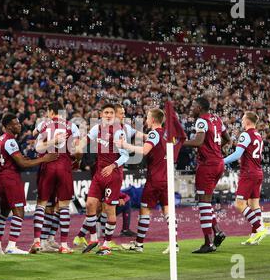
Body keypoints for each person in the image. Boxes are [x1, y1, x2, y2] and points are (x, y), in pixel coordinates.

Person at [0, 113, 58, 255]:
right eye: (16, 123)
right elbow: (23, 163)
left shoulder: (0, 140)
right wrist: (44, 159)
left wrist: (9, 164)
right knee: (19, 212)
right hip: (11, 179)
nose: (19, 125)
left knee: (3, 213)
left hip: (1, 176)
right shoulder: (10, 141)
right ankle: (11, 246)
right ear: (8, 126)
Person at [117, 109, 179, 253]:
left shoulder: (154, 133)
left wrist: (124, 145)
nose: (145, 120)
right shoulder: (167, 134)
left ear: (152, 120)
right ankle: (174, 243)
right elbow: (150, 138)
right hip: (167, 177)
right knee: (167, 210)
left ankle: (138, 245)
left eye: (147, 118)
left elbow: (144, 151)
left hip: (155, 178)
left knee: (145, 210)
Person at [74, 103, 130, 255]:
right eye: (106, 112)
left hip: (113, 175)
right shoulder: (96, 128)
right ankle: (93, 239)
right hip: (99, 174)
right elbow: (86, 140)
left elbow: (125, 155)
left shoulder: (119, 132)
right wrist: (79, 147)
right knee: (90, 204)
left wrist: (113, 166)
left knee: (109, 210)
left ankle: (106, 243)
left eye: (111, 112)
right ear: (101, 115)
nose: (108, 115)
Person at [30, 102, 81, 254]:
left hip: (48, 165)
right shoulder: (72, 126)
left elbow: (37, 146)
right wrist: (77, 160)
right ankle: (64, 245)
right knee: (64, 206)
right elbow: (78, 150)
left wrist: (49, 140)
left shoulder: (44, 124)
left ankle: (38, 241)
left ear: (50, 112)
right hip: (64, 165)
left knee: (42, 204)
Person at [183, 97, 231, 253]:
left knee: (203, 203)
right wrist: (216, 149)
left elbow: (198, 141)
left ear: (200, 107)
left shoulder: (201, 121)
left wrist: (177, 142)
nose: (191, 109)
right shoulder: (217, 119)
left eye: (193, 106)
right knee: (206, 202)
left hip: (207, 165)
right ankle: (218, 231)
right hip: (219, 163)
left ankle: (208, 242)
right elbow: (227, 139)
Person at [224, 111, 268, 245]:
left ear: (248, 121)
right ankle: (255, 236)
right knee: (254, 204)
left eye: (243, 119)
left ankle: (260, 229)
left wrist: (221, 161)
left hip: (248, 173)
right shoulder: (258, 135)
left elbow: (237, 154)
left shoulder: (246, 135)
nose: (241, 122)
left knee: (239, 204)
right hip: (258, 172)